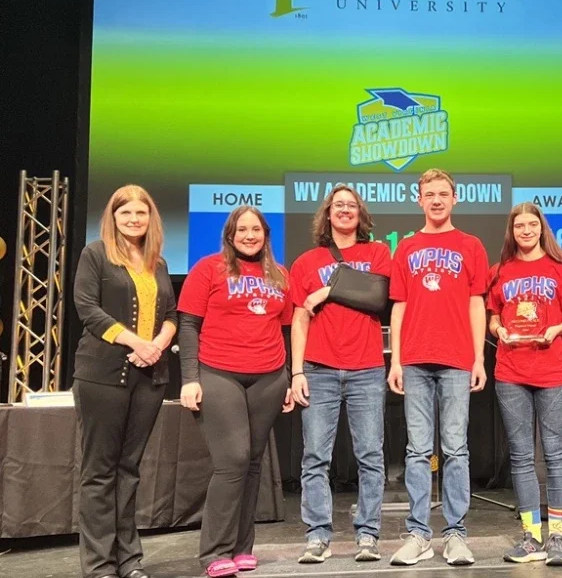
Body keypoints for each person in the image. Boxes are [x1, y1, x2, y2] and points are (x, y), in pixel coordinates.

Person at [177, 206, 295, 578]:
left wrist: (288, 376)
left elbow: (286, 328)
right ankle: (214, 551)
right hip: (218, 372)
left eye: (255, 229)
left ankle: (243, 548)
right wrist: (190, 378)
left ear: (265, 235)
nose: (249, 235)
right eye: (241, 229)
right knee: (234, 460)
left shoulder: (279, 274)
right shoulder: (207, 268)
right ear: (230, 235)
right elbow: (188, 325)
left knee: (254, 463)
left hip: (269, 376)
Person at [72, 185, 177, 578]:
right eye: (126, 213)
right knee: (100, 471)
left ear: (151, 219)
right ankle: (100, 565)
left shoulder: (159, 263)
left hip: (149, 379)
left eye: (141, 213)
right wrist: (135, 341)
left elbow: (171, 313)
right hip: (102, 376)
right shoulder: (95, 255)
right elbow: (88, 309)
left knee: (129, 469)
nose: (134, 220)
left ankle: (129, 561)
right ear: (112, 218)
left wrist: (158, 344)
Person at [387, 168, 490, 566]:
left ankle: (456, 535)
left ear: (454, 198)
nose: (435, 200)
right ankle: (418, 534)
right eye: (428, 194)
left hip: (456, 360)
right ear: (419, 200)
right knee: (416, 451)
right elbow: (399, 305)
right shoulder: (407, 247)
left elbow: (476, 302)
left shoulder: (471, 245)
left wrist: (478, 357)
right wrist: (395, 359)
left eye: (442, 193)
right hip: (413, 359)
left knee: (456, 449)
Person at [288, 185, 392, 563]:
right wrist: (296, 371)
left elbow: (377, 298)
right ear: (327, 214)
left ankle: (368, 535)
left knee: (370, 455)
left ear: (360, 214)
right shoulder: (305, 262)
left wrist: (326, 291)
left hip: (366, 367)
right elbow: (300, 319)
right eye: (338, 206)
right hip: (318, 369)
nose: (345, 210)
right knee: (315, 456)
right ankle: (317, 535)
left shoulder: (378, 252)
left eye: (351, 205)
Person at [486, 202, 562, 566]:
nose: (525, 231)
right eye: (519, 226)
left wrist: (554, 330)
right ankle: (531, 536)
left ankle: (557, 538)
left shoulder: (560, 269)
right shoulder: (500, 271)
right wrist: (499, 330)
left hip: (552, 371)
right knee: (521, 455)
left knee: (555, 451)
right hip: (511, 370)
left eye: (531, 225)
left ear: (541, 228)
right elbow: (494, 316)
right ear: (511, 232)